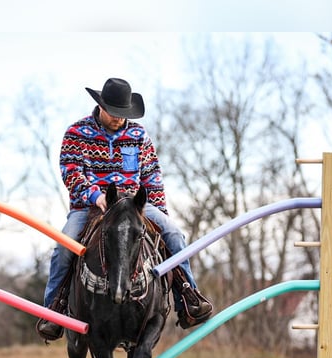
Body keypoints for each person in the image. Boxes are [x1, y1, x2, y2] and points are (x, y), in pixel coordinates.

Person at [36, 77, 213, 342]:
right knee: (64, 247)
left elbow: (152, 176)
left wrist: (160, 212)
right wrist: (94, 195)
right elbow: (70, 171)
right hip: (90, 207)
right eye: (114, 113)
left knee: (174, 235)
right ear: (101, 106)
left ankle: (187, 297)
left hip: (135, 206)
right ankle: (54, 309)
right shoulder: (76, 133)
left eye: (123, 113)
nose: (119, 118)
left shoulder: (139, 136)